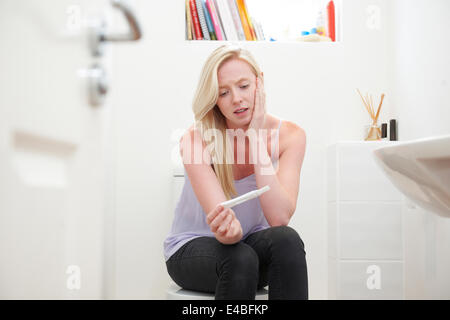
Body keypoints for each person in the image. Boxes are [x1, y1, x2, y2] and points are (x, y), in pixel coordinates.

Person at [163, 44, 308, 300]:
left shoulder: (290, 136)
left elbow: (279, 218)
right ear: (214, 99)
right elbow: (224, 226)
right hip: (191, 249)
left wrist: (255, 136)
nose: (237, 99)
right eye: (223, 93)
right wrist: (230, 233)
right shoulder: (196, 139)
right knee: (240, 258)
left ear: (259, 82)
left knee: (287, 239)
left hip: (249, 248)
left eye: (244, 86)